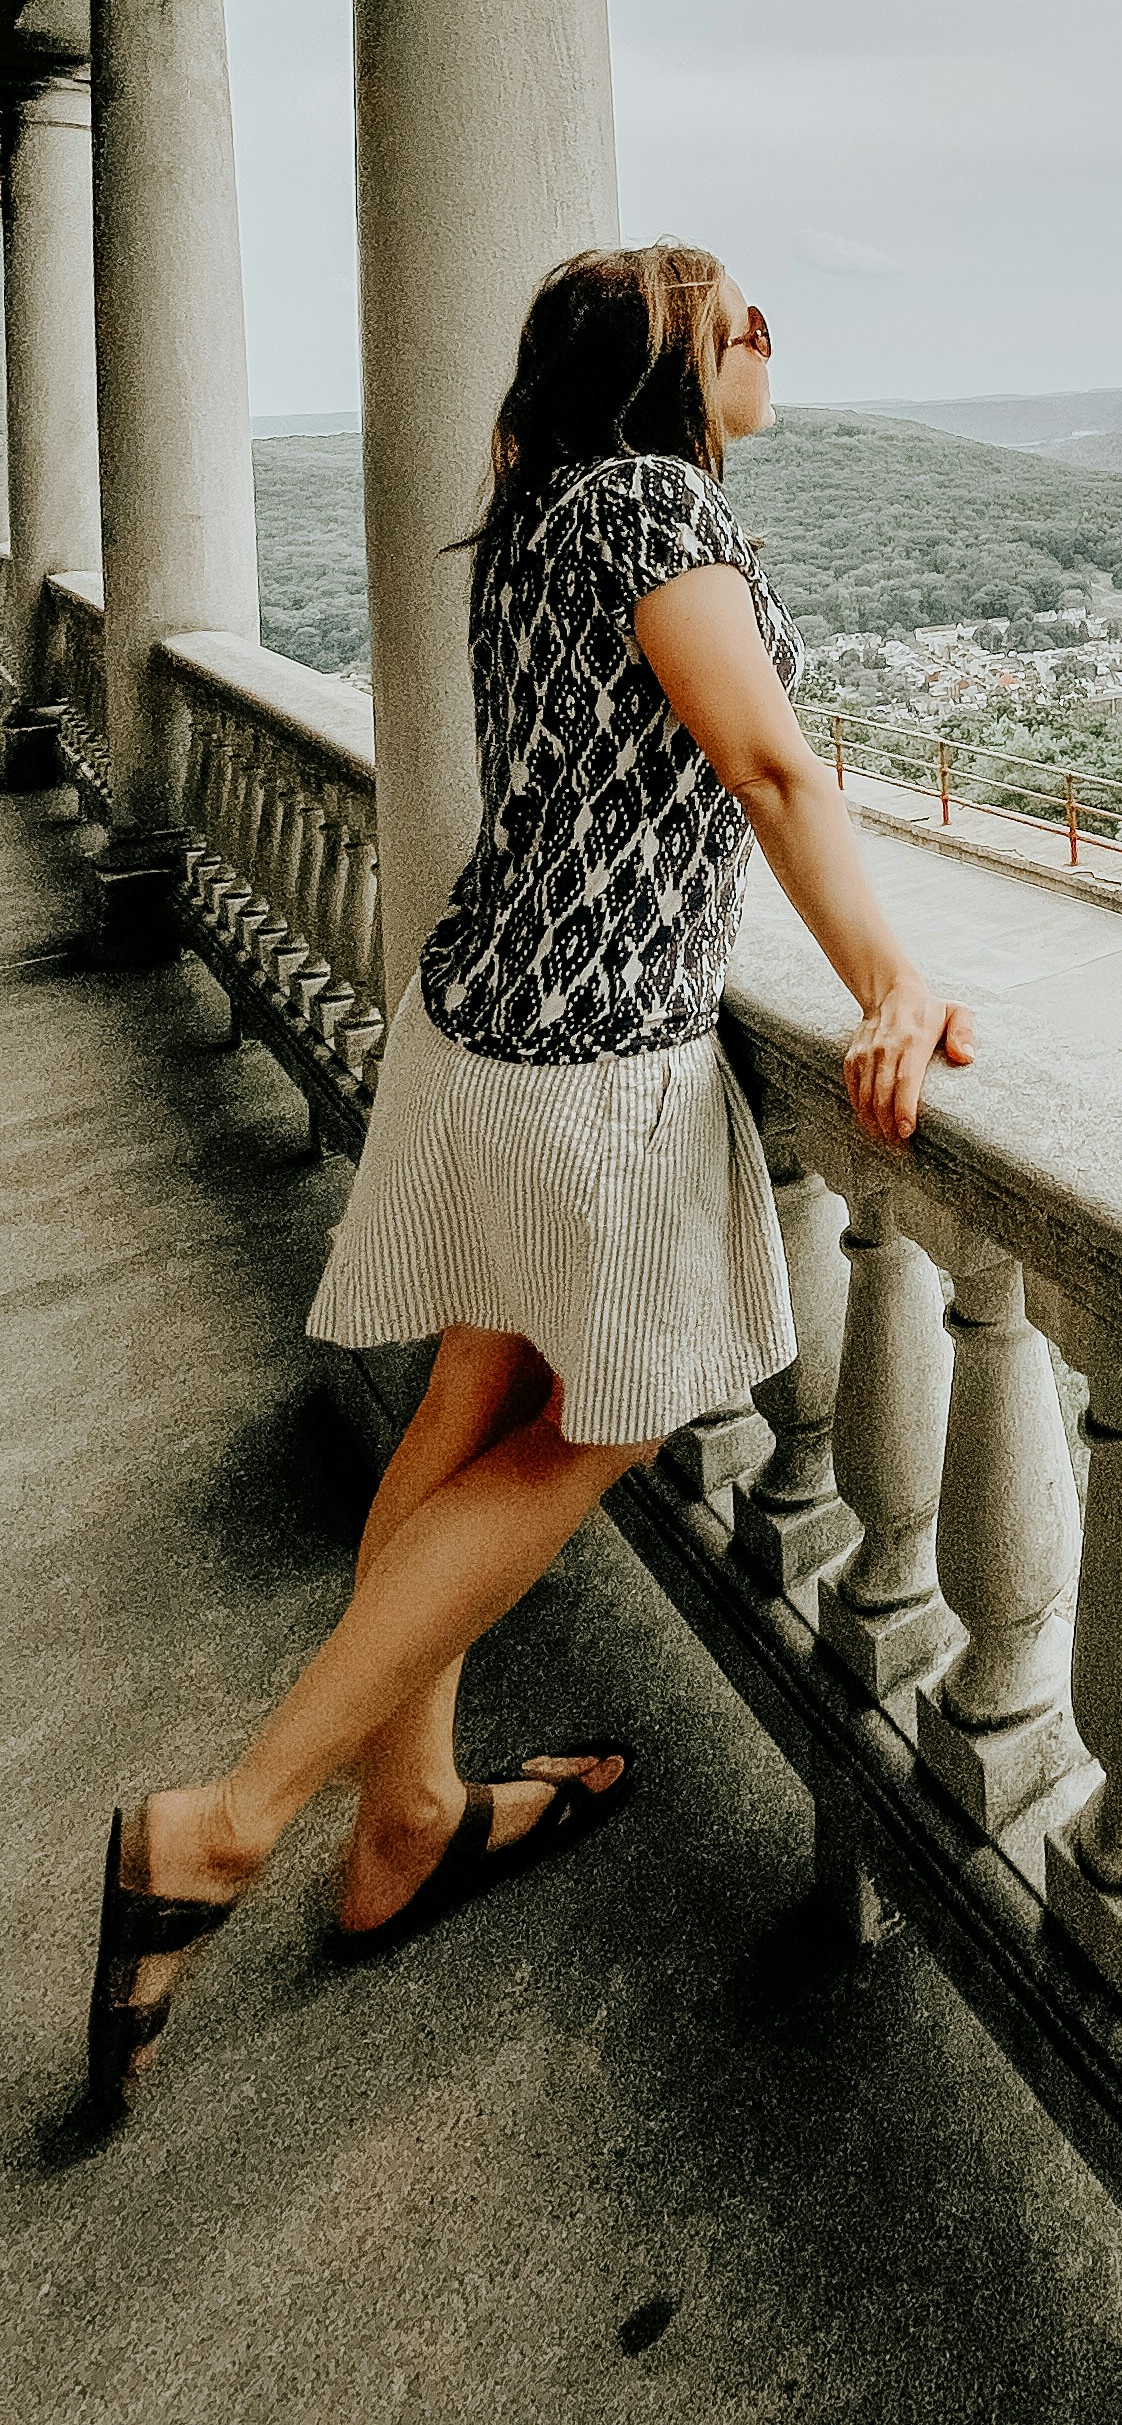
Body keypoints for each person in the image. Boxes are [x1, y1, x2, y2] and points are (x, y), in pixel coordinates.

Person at [80, 240, 972, 2122]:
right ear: (657, 366)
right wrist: (893, 977)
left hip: (477, 1028)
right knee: (596, 1433)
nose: (764, 328)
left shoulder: (540, 510)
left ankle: (404, 1814)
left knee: (473, 1395)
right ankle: (226, 1825)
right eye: (734, 314)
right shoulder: (652, 501)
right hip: (593, 1066)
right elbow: (771, 768)